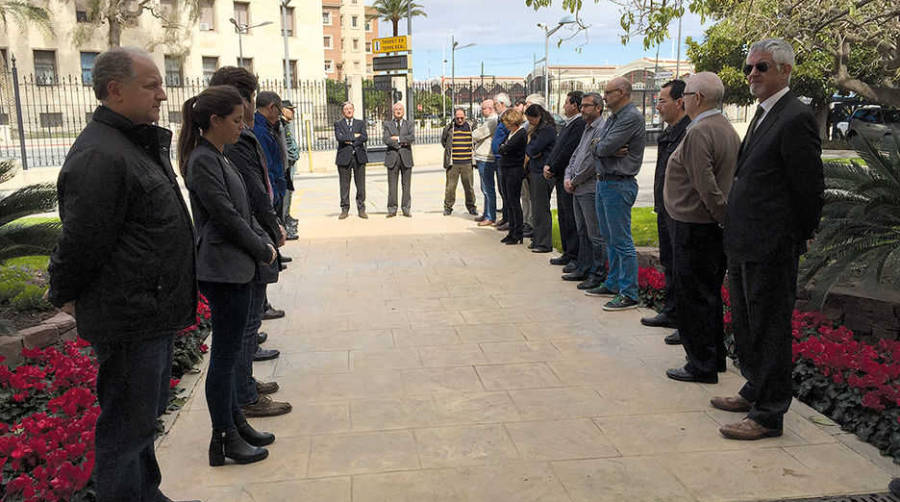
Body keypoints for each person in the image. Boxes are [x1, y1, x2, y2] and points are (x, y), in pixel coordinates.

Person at [47, 46, 197, 502]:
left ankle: (145, 493)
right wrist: (64, 290)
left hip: (148, 309)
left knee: (141, 420)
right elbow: (83, 239)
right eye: (151, 85)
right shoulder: (102, 155)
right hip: (130, 315)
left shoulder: (132, 143)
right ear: (115, 90)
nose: (163, 96)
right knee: (126, 427)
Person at [716, 38, 824, 440]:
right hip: (745, 239)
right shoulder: (764, 114)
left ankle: (768, 413)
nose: (752, 75)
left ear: (785, 70)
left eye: (761, 67)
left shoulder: (795, 117)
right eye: (749, 68)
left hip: (772, 243)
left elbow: (809, 187)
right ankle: (754, 388)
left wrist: (802, 233)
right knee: (747, 323)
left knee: (769, 326)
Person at [179, 85, 278, 466]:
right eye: (236, 120)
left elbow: (241, 208)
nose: (242, 126)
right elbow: (226, 216)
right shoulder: (203, 160)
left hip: (235, 268)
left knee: (233, 352)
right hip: (224, 272)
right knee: (224, 358)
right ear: (215, 121)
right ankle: (223, 438)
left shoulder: (217, 156)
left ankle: (236, 423)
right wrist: (262, 246)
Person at [209, 66, 292, 418]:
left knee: (249, 322)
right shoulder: (233, 140)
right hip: (248, 241)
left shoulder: (236, 136)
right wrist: (270, 228)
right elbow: (250, 193)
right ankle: (244, 395)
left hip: (254, 235)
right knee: (245, 327)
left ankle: (245, 385)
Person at [662, 72, 740, 385]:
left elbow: (705, 184)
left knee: (693, 295)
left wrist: (721, 215)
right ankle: (712, 358)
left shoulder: (700, 131)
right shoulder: (724, 127)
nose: (682, 100)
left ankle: (700, 364)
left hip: (695, 226)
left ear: (697, 98)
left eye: (687, 94)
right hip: (706, 225)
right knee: (707, 295)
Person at [585, 77, 646, 311]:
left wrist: (601, 147)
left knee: (621, 240)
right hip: (605, 182)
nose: (605, 96)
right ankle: (612, 283)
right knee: (609, 238)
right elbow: (597, 145)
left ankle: (629, 292)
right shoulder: (614, 117)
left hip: (619, 183)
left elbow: (603, 147)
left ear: (622, 92)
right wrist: (601, 147)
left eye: (609, 92)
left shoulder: (630, 117)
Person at [641, 79, 691, 344]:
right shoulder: (671, 131)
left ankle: (686, 324)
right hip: (665, 208)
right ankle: (671, 311)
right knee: (669, 262)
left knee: (683, 267)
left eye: (661, 101)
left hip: (681, 211)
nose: (657, 106)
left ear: (679, 102)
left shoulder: (688, 132)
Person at [563, 92, 608, 290]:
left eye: (587, 106)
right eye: (581, 106)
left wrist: (574, 179)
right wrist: (567, 176)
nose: (582, 109)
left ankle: (597, 273)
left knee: (594, 233)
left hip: (589, 188)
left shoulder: (602, 128)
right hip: (576, 187)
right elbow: (576, 155)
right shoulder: (586, 128)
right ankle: (583, 267)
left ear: (598, 108)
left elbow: (591, 161)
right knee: (582, 230)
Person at [545, 91, 586, 266]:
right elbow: (557, 148)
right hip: (560, 175)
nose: (564, 106)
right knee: (563, 215)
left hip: (567, 176)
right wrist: (549, 165)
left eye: (567, 103)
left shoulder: (578, 124)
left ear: (574, 105)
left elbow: (568, 151)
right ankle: (567, 252)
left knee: (570, 217)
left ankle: (574, 255)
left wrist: (553, 167)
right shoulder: (569, 124)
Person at [524, 104, 557, 253]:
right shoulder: (540, 129)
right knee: (536, 208)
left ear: (538, 117)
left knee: (541, 209)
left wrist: (533, 151)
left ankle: (544, 242)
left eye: (531, 120)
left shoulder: (546, 130)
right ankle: (538, 238)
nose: (530, 123)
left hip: (542, 172)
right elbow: (530, 149)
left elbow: (533, 149)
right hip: (536, 170)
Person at [253, 92, 287, 225]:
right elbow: (267, 167)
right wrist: (276, 196)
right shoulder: (260, 131)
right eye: (279, 110)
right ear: (272, 108)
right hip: (271, 194)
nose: (279, 115)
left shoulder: (269, 127)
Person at [498, 108, 528, 244]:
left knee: (514, 201)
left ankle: (517, 232)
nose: (505, 124)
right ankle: (512, 230)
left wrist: (504, 148)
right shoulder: (511, 133)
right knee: (508, 201)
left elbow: (506, 148)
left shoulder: (521, 133)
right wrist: (503, 148)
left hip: (514, 170)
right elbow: (501, 147)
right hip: (506, 168)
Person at [334, 101, 368, 219]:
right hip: (344, 158)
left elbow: (364, 137)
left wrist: (349, 140)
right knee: (344, 185)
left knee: (361, 185)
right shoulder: (338, 124)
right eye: (346, 109)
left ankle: (361, 208)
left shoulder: (360, 123)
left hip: (359, 157)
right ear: (343, 111)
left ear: (353, 110)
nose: (348, 111)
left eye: (350, 109)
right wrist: (355, 136)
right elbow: (340, 138)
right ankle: (344, 209)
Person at [441, 108, 477, 216]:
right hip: (453, 163)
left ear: (465, 116)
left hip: (467, 163)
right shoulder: (449, 128)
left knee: (469, 187)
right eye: (457, 118)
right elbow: (444, 142)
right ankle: (448, 207)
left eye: (462, 118)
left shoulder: (471, 127)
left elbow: (475, 141)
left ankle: (471, 207)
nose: (460, 120)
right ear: (454, 117)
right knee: (450, 188)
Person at [383, 101, 414, 217]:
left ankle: (406, 208)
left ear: (404, 111)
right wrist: (401, 143)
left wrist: (398, 139)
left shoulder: (409, 124)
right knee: (392, 185)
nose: (398, 111)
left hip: (406, 158)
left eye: (400, 109)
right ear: (393, 111)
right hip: (392, 158)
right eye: (396, 109)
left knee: (406, 185)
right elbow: (386, 139)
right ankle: (392, 209)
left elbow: (411, 138)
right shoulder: (387, 124)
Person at [520, 94, 546, 237]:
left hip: (534, 167)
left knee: (533, 198)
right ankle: (526, 221)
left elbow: (535, 148)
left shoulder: (542, 126)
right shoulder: (526, 124)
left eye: (529, 105)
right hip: (525, 165)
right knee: (525, 195)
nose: (526, 107)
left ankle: (532, 223)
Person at [472, 99, 499, 226]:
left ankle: (490, 216)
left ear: (490, 108)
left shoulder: (493, 121)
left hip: (487, 157)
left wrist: (474, 133)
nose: (482, 111)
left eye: (483, 108)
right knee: (485, 188)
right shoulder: (489, 121)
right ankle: (486, 213)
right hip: (482, 157)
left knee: (488, 188)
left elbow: (477, 135)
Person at [279, 100, 300, 239]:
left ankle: (287, 217)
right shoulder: (281, 125)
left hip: (290, 163)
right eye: (290, 109)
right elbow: (286, 147)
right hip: (286, 165)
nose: (293, 112)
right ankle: (284, 222)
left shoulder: (285, 124)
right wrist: (294, 155)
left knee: (289, 192)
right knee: (285, 195)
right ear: (283, 110)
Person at [492, 93, 511, 230]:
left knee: (507, 191)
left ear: (503, 104)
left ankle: (509, 219)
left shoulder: (508, 117)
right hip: (499, 159)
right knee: (502, 190)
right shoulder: (501, 118)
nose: (494, 108)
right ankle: (505, 217)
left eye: (495, 105)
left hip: (504, 159)